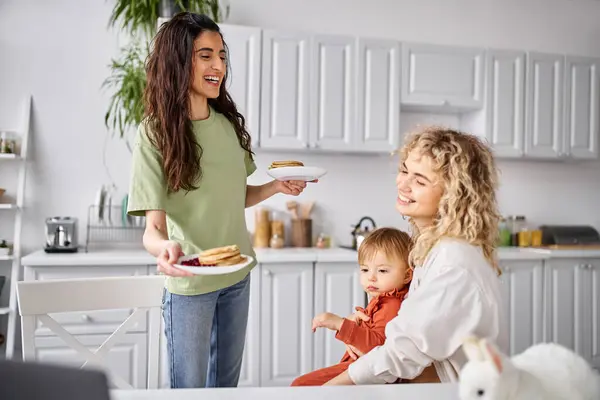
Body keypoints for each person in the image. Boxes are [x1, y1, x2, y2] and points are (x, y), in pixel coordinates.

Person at [126, 12, 315, 389]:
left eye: (222, 56)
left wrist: (276, 188)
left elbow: (233, 196)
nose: (219, 67)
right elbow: (153, 229)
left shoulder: (227, 125)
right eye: (205, 55)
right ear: (180, 61)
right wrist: (165, 248)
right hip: (191, 283)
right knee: (190, 390)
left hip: (237, 275)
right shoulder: (155, 133)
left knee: (226, 388)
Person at [324, 126, 507, 385]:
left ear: (453, 196)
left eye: (419, 181)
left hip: (458, 390)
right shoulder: (429, 246)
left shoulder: (453, 262)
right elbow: (412, 328)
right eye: (404, 171)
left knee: (307, 387)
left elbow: (403, 353)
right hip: (436, 377)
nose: (402, 183)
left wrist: (330, 389)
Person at [291, 227, 413, 386]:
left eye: (382, 270)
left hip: (364, 371)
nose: (371, 277)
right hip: (359, 367)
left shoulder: (391, 305)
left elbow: (377, 350)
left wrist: (339, 324)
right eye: (364, 269)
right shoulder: (383, 300)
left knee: (300, 386)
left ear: (406, 275)